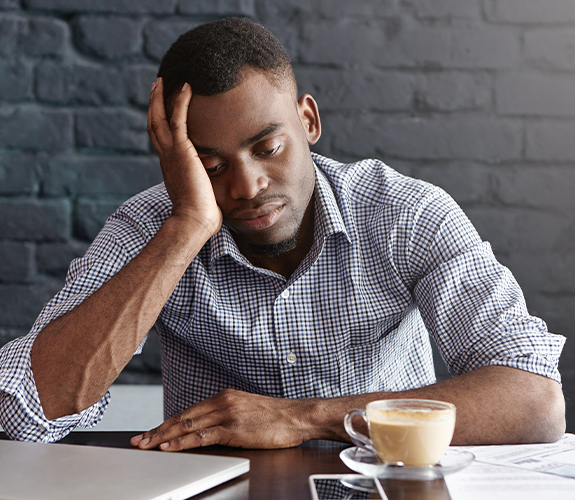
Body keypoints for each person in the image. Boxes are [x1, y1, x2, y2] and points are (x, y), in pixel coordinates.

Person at [0, 17, 565, 449]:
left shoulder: (405, 215)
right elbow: (23, 414)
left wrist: (307, 417)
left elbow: (535, 404)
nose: (246, 186)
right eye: (212, 164)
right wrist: (188, 229)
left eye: (268, 148)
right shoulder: (151, 230)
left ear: (309, 121)